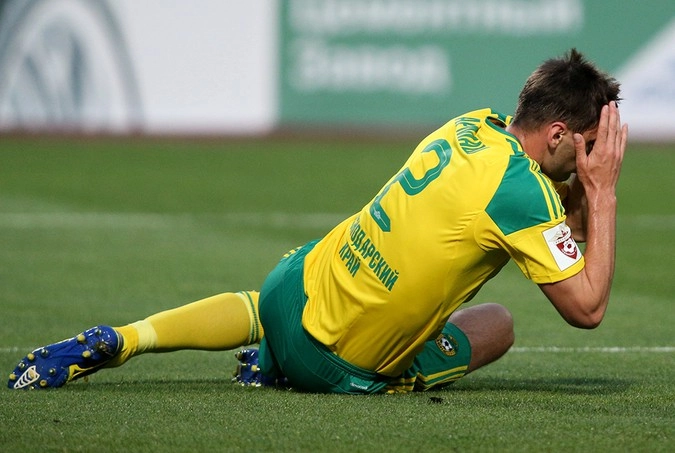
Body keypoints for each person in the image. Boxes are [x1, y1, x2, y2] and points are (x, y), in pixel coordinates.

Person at [8, 48, 628, 393]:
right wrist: (601, 194)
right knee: (497, 324)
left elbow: (558, 231)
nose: (594, 160)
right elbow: (587, 308)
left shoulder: (470, 124)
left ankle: (126, 338)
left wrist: (576, 186)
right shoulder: (521, 194)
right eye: (591, 145)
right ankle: (281, 367)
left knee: (266, 305)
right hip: (334, 363)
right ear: (557, 134)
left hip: (289, 288)